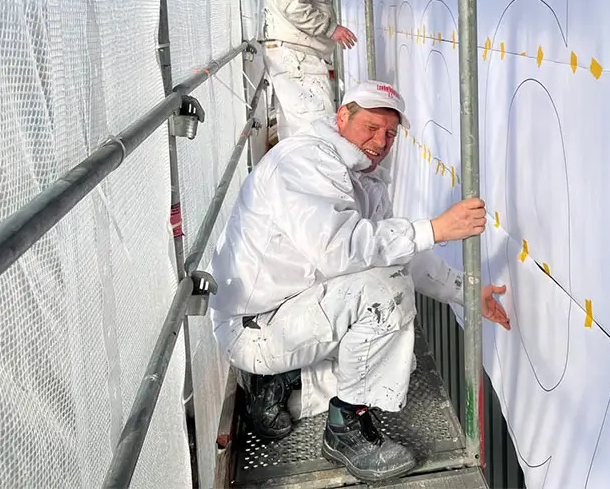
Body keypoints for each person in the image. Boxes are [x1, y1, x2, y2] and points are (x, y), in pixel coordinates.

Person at [208, 80, 511, 483]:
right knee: (386, 296)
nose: (381, 141)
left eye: (390, 134)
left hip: (286, 309)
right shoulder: (304, 162)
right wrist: (435, 228)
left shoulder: (360, 176)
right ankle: (344, 428)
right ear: (341, 117)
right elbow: (340, 249)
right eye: (371, 127)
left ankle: (284, 382)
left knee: (395, 360)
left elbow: (397, 252)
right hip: (255, 326)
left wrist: (465, 291)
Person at [262, 0, 358, 139]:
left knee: (298, 135)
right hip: (298, 58)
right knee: (319, 129)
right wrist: (330, 29)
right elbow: (292, 5)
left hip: (295, 56)